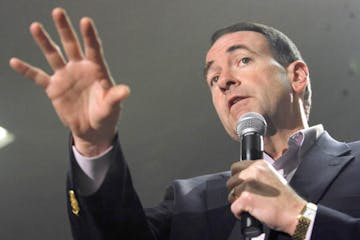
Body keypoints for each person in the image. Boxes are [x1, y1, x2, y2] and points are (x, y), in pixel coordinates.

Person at [9, 7, 360, 240]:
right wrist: (93, 146)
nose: (224, 81)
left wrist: (299, 218)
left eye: (242, 60)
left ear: (296, 76)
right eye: (213, 78)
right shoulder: (190, 201)